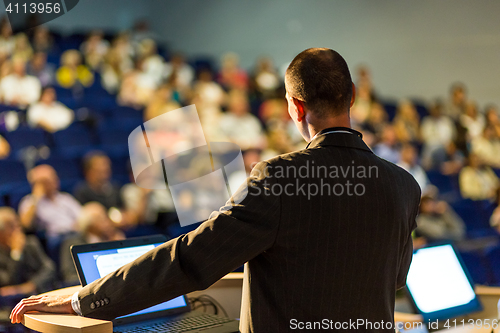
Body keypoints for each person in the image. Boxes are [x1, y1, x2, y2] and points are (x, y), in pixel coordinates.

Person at [10, 48, 421, 333]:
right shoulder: (404, 185)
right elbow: (396, 277)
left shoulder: (279, 177)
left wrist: (86, 299)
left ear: (294, 107)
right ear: (352, 95)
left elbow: (190, 257)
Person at [19, 165, 81, 259]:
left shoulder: (65, 198)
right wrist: (36, 196)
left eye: (54, 178)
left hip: (75, 232)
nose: (53, 182)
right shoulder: (30, 201)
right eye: (46, 181)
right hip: (55, 238)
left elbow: (83, 217)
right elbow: (26, 224)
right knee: (73, 241)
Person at [60, 202, 125, 286]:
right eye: (101, 218)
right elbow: (69, 275)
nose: (107, 222)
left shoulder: (109, 239)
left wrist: (118, 245)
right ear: (89, 223)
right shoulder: (72, 243)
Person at [0, 207, 56, 299]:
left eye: (17, 225)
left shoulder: (31, 243)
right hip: (13, 303)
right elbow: (8, 282)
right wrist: (16, 253)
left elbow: (49, 268)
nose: (18, 231)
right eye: (11, 227)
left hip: (39, 293)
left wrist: (31, 285)